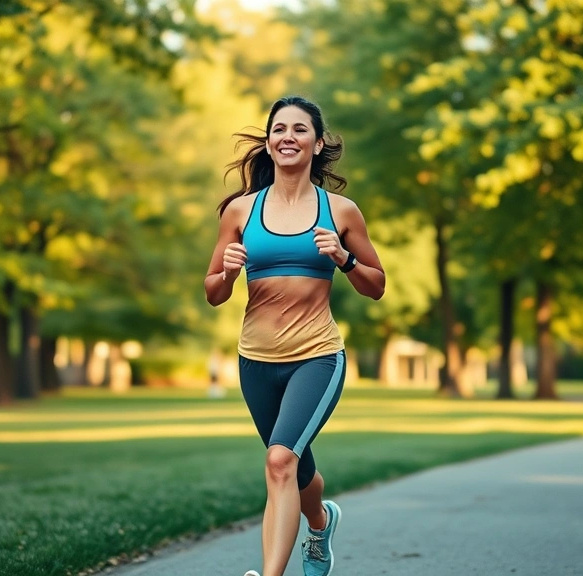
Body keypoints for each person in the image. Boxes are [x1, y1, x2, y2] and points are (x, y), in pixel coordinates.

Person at [204, 96, 386, 576]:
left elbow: (377, 285)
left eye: (300, 129)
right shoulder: (240, 212)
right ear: (268, 142)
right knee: (295, 467)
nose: (288, 136)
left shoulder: (341, 211)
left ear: (317, 142)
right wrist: (225, 272)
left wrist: (344, 260)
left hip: (317, 356)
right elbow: (214, 293)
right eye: (279, 129)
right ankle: (320, 523)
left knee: (280, 461)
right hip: (256, 360)